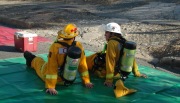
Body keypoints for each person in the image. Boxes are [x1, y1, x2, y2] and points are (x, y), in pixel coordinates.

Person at [24, 23, 94, 95]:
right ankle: (32, 59)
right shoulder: (78, 46)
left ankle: (31, 59)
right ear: (74, 36)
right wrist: (86, 81)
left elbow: (52, 67)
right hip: (69, 79)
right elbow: (83, 64)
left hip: (55, 79)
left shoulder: (55, 47)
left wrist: (50, 86)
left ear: (63, 35)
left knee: (39, 64)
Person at [86, 22, 147, 98]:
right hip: (118, 73)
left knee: (85, 62)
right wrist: (137, 73)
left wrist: (109, 80)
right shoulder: (124, 41)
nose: (105, 34)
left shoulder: (112, 43)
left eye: (107, 32)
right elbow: (131, 58)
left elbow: (110, 61)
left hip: (107, 72)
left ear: (112, 34)